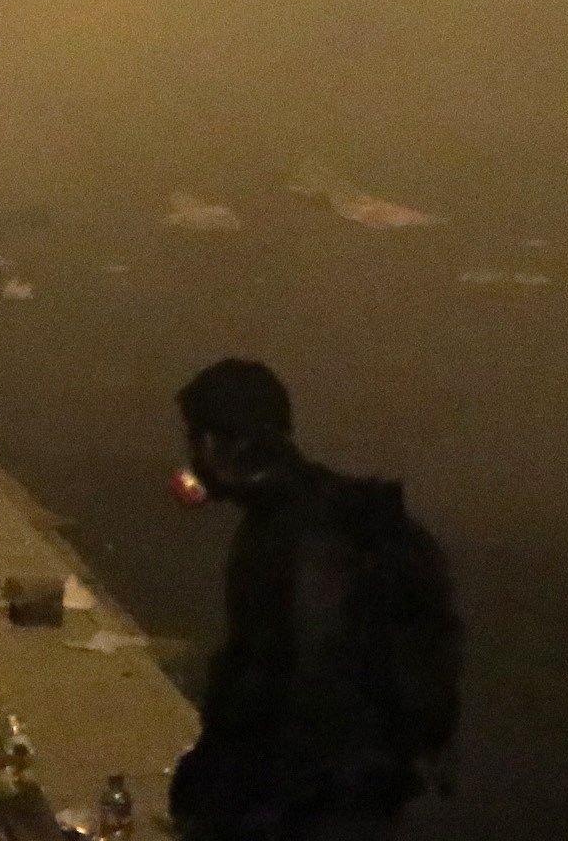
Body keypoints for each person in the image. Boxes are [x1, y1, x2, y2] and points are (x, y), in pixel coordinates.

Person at [171, 358, 459, 841]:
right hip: (358, 789)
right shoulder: (322, 512)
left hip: (319, 800)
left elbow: (305, 680)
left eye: (196, 438)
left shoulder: (297, 536)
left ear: (225, 442)